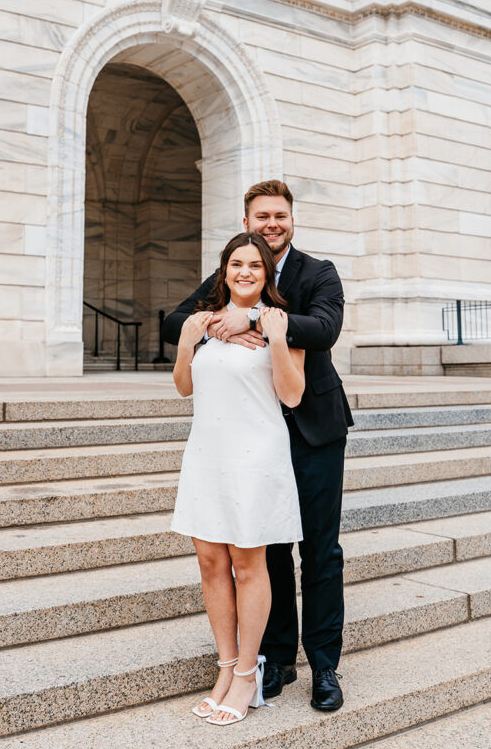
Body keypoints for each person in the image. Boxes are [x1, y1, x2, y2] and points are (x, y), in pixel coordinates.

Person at [163, 180, 353, 712]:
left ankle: (323, 665)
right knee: (263, 549)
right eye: (262, 216)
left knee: (319, 551)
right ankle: (274, 659)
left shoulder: (319, 272)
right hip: (248, 432)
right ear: (247, 222)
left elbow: (324, 328)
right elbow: (176, 319)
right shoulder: (238, 264)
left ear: (292, 220)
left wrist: (255, 321)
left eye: (281, 216)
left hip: (312, 428)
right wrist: (219, 327)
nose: (272, 224)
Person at [169, 231, 306, 727]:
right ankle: (224, 667)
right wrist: (187, 343)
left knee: (249, 565)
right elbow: (185, 387)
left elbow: (292, 396)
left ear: (267, 274)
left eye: (255, 265)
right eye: (236, 264)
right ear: (224, 270)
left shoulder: (278, 321)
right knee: (210, 563)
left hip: (256, 457)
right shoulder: (202, 321)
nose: (245, 272)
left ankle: (248, 673)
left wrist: (274, 338)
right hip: (207, 454)